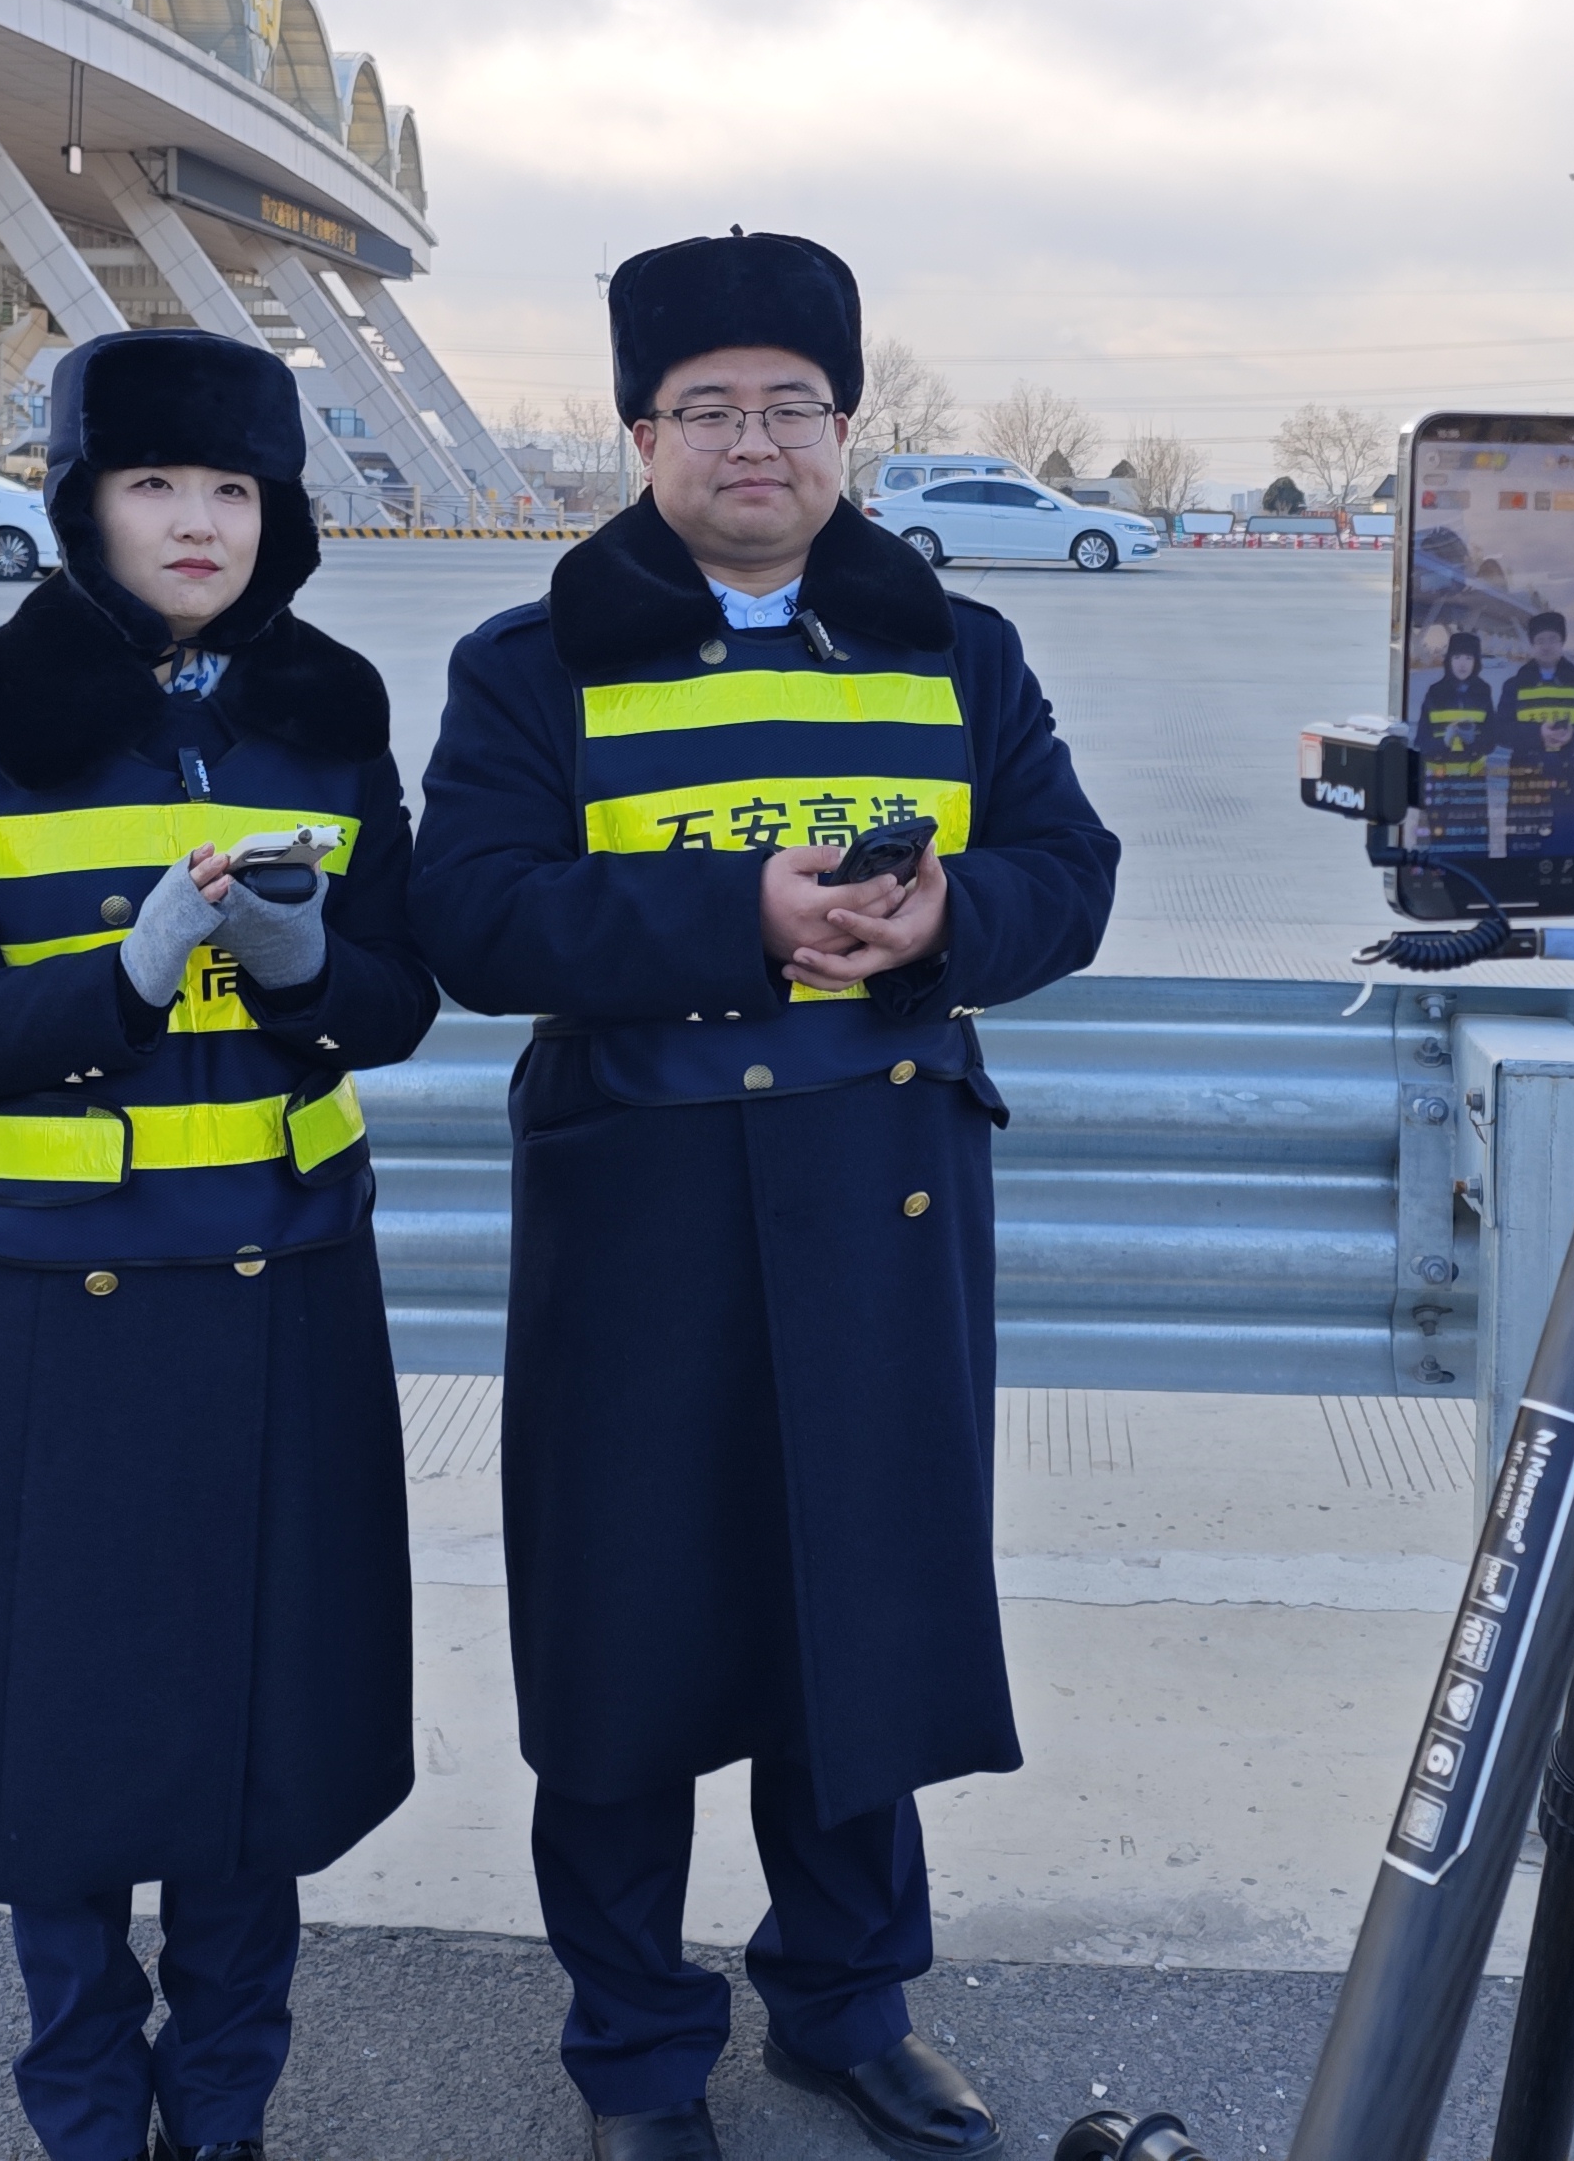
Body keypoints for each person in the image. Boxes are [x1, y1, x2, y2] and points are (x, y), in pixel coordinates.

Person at [414, 231, 1121, 2161]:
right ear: (642, 435)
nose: (754, 441)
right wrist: (740, 914)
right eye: (708, 408)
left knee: (858, 1620)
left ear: (845, 428)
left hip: (880, 1197)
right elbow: (471, 915)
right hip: (637, 1209)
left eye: (791, 406)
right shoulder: (527, 662)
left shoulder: (960, 648)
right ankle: (637, 2055)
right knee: (624, 1645)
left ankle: (845, 2005)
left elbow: (1070, 869)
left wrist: (951, 915)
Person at [0, 328, 436, 2161]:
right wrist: (117, 982)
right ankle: (91, 2111)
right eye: (155, 481)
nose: (198, 520)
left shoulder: (334, 714)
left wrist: (309, 972)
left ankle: (227, 2105)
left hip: (285, 1285)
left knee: (264, 1742)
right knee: (68, 1746)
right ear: (83, 502)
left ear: (281, 514)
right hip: (57, 1307)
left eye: (234, 487)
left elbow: (400, 1000)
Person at [1494, 609, 1574, 854]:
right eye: (1540, 640)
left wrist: (1573, 734)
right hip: (1526, 784)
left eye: (1553, 639)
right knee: (1523, 854)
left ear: (1562, 642)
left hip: (1568, 783)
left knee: (1566, 853)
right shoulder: (1514, 686)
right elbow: (1500, 731)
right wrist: (1538, 734)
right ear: (1532, 645)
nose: (1546, 646)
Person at [1412, 620, 1500, 853]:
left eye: (1469, 658)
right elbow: (1421, 742)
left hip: (1473, 788)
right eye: (1457, 657)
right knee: (1439, 850)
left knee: (1475, 848)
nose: (1462, 664)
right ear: (1449, 660)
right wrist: (1445, 739)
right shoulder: (1435, 693)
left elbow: (1492, 739)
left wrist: (1473, 741)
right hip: (1440, 787)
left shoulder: (1483, 692)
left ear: (1476, 662)